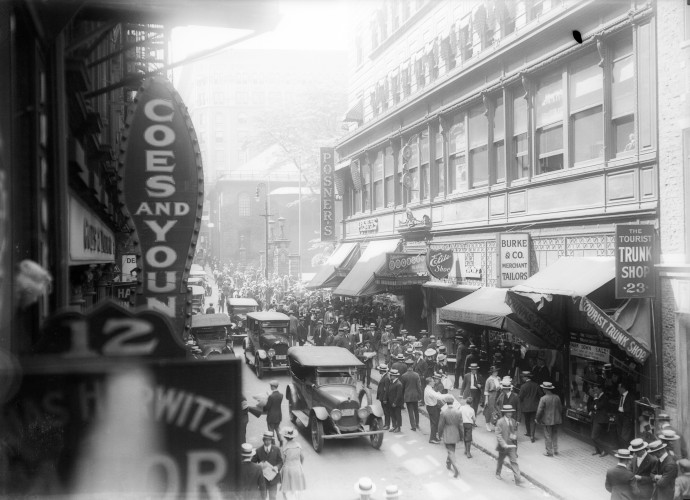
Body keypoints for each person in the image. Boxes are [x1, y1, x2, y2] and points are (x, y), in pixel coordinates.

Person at [495, 404, 524, 486]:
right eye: (508, 412)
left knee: (514, 461)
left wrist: (514, 435)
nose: (510, 413)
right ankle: (498, 473)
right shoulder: (500, 422)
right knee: (501, 460)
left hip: (511, 446)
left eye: (511, 412)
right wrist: (503, 443)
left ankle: (518, 479)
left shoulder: (513, 421)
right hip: (503, 446)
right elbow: (498, 434)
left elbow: (515, 430)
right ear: (505, 413)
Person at [437, 394, 463, 478]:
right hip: (455, 433)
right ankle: (448, 463)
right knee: (452, 449)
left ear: (446, 403)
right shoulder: (458, 412)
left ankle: (455, 467)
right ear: (453, 402)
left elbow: (440, 426)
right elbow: (461, 425)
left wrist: (439, 435)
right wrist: (462, 436)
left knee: (450, 451)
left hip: (447, 433)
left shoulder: (444, 413)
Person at [253, 431, 283, 500]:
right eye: (266, 440)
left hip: (273, 479)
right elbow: (253, 463)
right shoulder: (258, 450)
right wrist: (259, 466)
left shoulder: (276, 449)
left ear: (271, 440)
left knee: (273, 497)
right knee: (262, 497)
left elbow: (280, 462)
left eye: (269, 440)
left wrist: (277, 467)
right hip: (262, 480)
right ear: (263, 440)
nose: (267, 442)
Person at [535, 381, 563, 457]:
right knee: (554, 434)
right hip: (556, 419)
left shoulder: (543, 398)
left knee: (547, 436)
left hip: (547, 420)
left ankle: (549, 452)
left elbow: (539, 410)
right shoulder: (557, 397)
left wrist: (537, 419)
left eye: (543, 389)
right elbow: (560, 408)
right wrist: (559, 416)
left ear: (545, 389)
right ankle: (556, 450)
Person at [280, 428, 305, 500]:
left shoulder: (284, 447)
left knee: (287, 488)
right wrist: (299, 465)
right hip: (297, 468)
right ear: (293, 437)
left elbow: (283, 460)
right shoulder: (298, 445)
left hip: (288, 468)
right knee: (297, 487)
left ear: (285, 437)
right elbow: (302, 457)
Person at [518, 371, 541, 443]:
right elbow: (540, 395)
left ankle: (528, 432)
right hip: (534, 406)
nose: (522, 378)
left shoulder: (523, 386)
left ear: (526, 377)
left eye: (523, 377)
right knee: (533, 421)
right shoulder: (536, 385)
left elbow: (520, 397)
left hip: (525, 407)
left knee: (527, 420)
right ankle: (532, 435)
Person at [589, 384, 610, 457]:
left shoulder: (605, 397)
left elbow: (599, 406)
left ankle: (606, 449)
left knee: (594, 436)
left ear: (601, 389)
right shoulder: (597, 398)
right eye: (594, 390)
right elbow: (591, 406)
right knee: (595, 436)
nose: (595, 392)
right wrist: (595, 406)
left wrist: (596, 401)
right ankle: (598, 450)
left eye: (596, 390)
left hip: (601, 419)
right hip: (595, 418)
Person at [401, 362, 422, 432]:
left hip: (408, 396)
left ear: (407, 367)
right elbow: (419, 387)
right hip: (415, 395)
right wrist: (420, 395)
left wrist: (402, 396)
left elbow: (402, 387)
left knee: (410, 411)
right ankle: (417, 423)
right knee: (416, 410)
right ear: (412, 366)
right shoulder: (416, 375)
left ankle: (413, 426)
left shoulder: (403, 376)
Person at [424, 376, 444, 444]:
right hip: (432, 407)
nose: (434, 382)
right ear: (429, 383)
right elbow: (438, 396)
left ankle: (434, 437)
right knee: (434, 423)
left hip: (430, 407)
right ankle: (432, 438)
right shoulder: (429, 390)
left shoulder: (428, 388)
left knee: (434, 423)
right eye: (433, 381)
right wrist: (447, 396)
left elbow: (435, 394)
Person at [264, 380, 284, 446]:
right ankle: (281, 440)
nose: (270, 387)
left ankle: (273, 444)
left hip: (271, 417)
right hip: (278, 415)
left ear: (272, 387)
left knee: (271, 431)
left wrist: (263, 406)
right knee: (277, 428)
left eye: (271, 386)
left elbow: (267, 407)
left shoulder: (271, 396)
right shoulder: (281, 395)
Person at [616, 380, 635, 448]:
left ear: (623, 388)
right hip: (619, 416)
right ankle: (621, 449)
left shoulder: (630, 397)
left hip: (626, 417)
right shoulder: (620, 396)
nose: (618, 389)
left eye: (619, 387)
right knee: (619, 434)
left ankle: (625, 451)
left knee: (625, 435)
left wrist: (631, 418)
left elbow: (633, 409)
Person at [484, 366, 501, 431]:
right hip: (491, 395)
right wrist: (486, 399)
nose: (496, 372)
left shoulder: (499, 378)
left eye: (497, 371)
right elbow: (486, 390)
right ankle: (487, 424)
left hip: (498, 395)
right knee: (490, 410)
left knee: (498, 410)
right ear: (492, 372)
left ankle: (495, 423)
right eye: (495, 372)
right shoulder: (489, 379)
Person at [387, 368, 404, 433]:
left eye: (392, 375)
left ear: (395, 376)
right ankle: (394, 426)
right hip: (391, 402)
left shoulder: (399, 384)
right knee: (392, 414)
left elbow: (399, 395)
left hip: (396, 403)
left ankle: (398, 427)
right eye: (390, 375)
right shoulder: (392, 382)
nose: (390, 376)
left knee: (397, 415)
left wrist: (395, 402)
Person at [376, 364, 392, 430]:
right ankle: (386, 424)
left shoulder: (386, 378)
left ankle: (387, 425)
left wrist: (385, 398)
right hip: (382, 397)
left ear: (382, 370)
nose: (379, 370)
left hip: (385, 398)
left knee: (386, 412)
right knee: (385, 411)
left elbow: (387, 389)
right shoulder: (384, 376)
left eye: (379, 369)